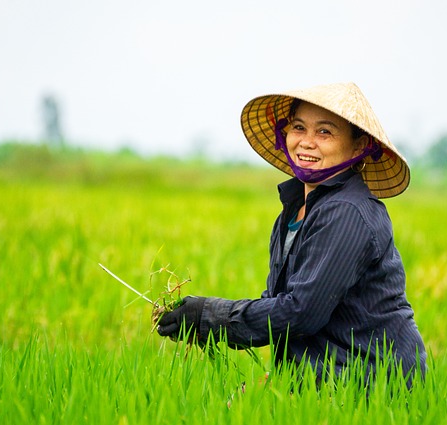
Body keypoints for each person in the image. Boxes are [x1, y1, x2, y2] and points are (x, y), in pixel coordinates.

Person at [156, 82, 426, 385]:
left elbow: (301, 312)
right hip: (321, 377)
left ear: (359, 146)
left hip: (367, 382)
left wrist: (210, 316)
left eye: (325, 132)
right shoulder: (296, 209)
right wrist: (272, 383)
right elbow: (281, 308)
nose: (307, 142)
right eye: (299, 127)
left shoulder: (347, 212)